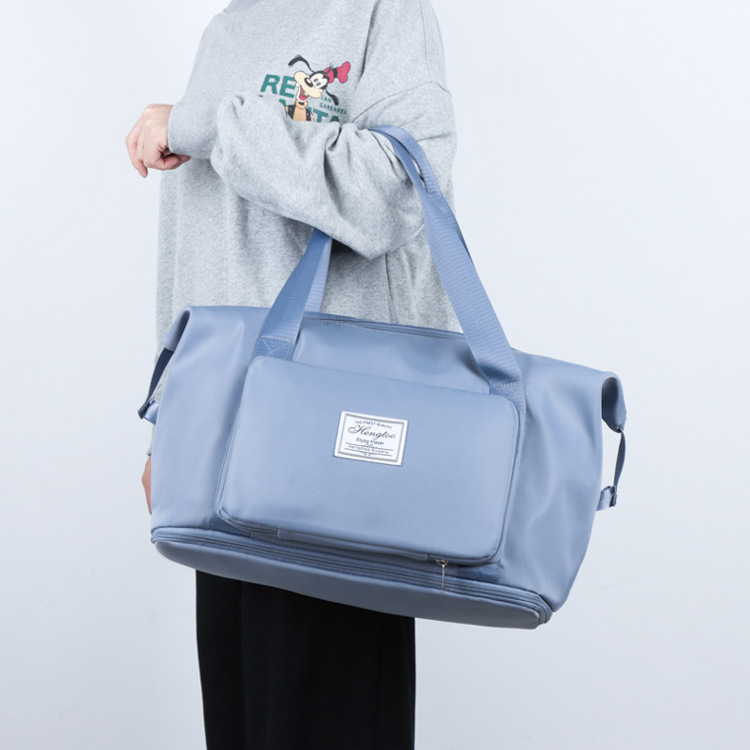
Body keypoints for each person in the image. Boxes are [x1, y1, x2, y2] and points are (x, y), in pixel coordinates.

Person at [126, 1, 460, 747]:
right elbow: (201, 246)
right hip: (221, 448)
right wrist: (170, 415)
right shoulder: (231, 25)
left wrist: (210, 124)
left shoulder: (380, 10)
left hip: (336, 450)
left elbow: (398, 190)